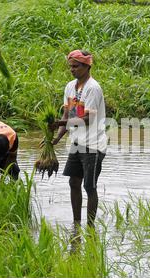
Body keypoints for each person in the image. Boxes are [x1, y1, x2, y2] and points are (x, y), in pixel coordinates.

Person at [50, 50, 107, 227]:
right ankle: (76, 224)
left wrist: (60, 122)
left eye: (76, 66)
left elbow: (88, 118)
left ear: (87, 66)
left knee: (89, 187)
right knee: (74, 182)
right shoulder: (70, 87)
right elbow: (67, 114)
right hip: (77, 143)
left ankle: (90, 227)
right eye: (70, 66)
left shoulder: (93, 88)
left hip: (93, 144)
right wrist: (58, 137)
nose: (72, 69)